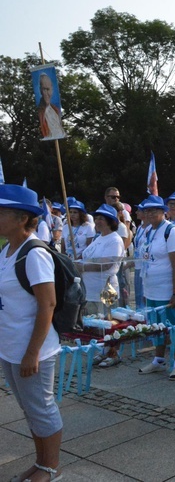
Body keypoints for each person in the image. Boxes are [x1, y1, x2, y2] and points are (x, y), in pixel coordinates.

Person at [0, 184, 62, 482]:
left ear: (22, 218)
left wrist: (31, 353)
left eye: (1, 212)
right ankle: (40, 463)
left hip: (33, 348)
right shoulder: (7, 249)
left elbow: (47, 304)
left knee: (42, 407)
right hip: (10, 345)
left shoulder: (34, 253)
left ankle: (50, 469)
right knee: (29, 408)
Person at [136, 195, 175, 381]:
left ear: (163, 212)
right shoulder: (149, 231)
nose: (149, 214)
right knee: (156, 326)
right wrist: (144, 290)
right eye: (146, 210)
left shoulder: (171, 232)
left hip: (166, 288)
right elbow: (146, 260)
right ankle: (158, 359)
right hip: (151, 288)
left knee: (174, 325)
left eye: (153, 210)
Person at [81, 204, 125, 368]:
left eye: (101, 218)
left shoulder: (115, 239)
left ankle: (114, 353)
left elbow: (106, 264)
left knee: (110, 321)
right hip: (91, 288)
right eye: (97, 218)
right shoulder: (97, 238)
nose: (97, 221)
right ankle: (104, 350)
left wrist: (83, 267)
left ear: (110, 221)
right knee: (98, 322)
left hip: (107, 287)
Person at [37, 72, 65, 139]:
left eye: (48, 89)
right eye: (44, 89)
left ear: (52, 90)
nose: (46, 93)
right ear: (40, 90)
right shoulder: (40, 111)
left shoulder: (56, 110)